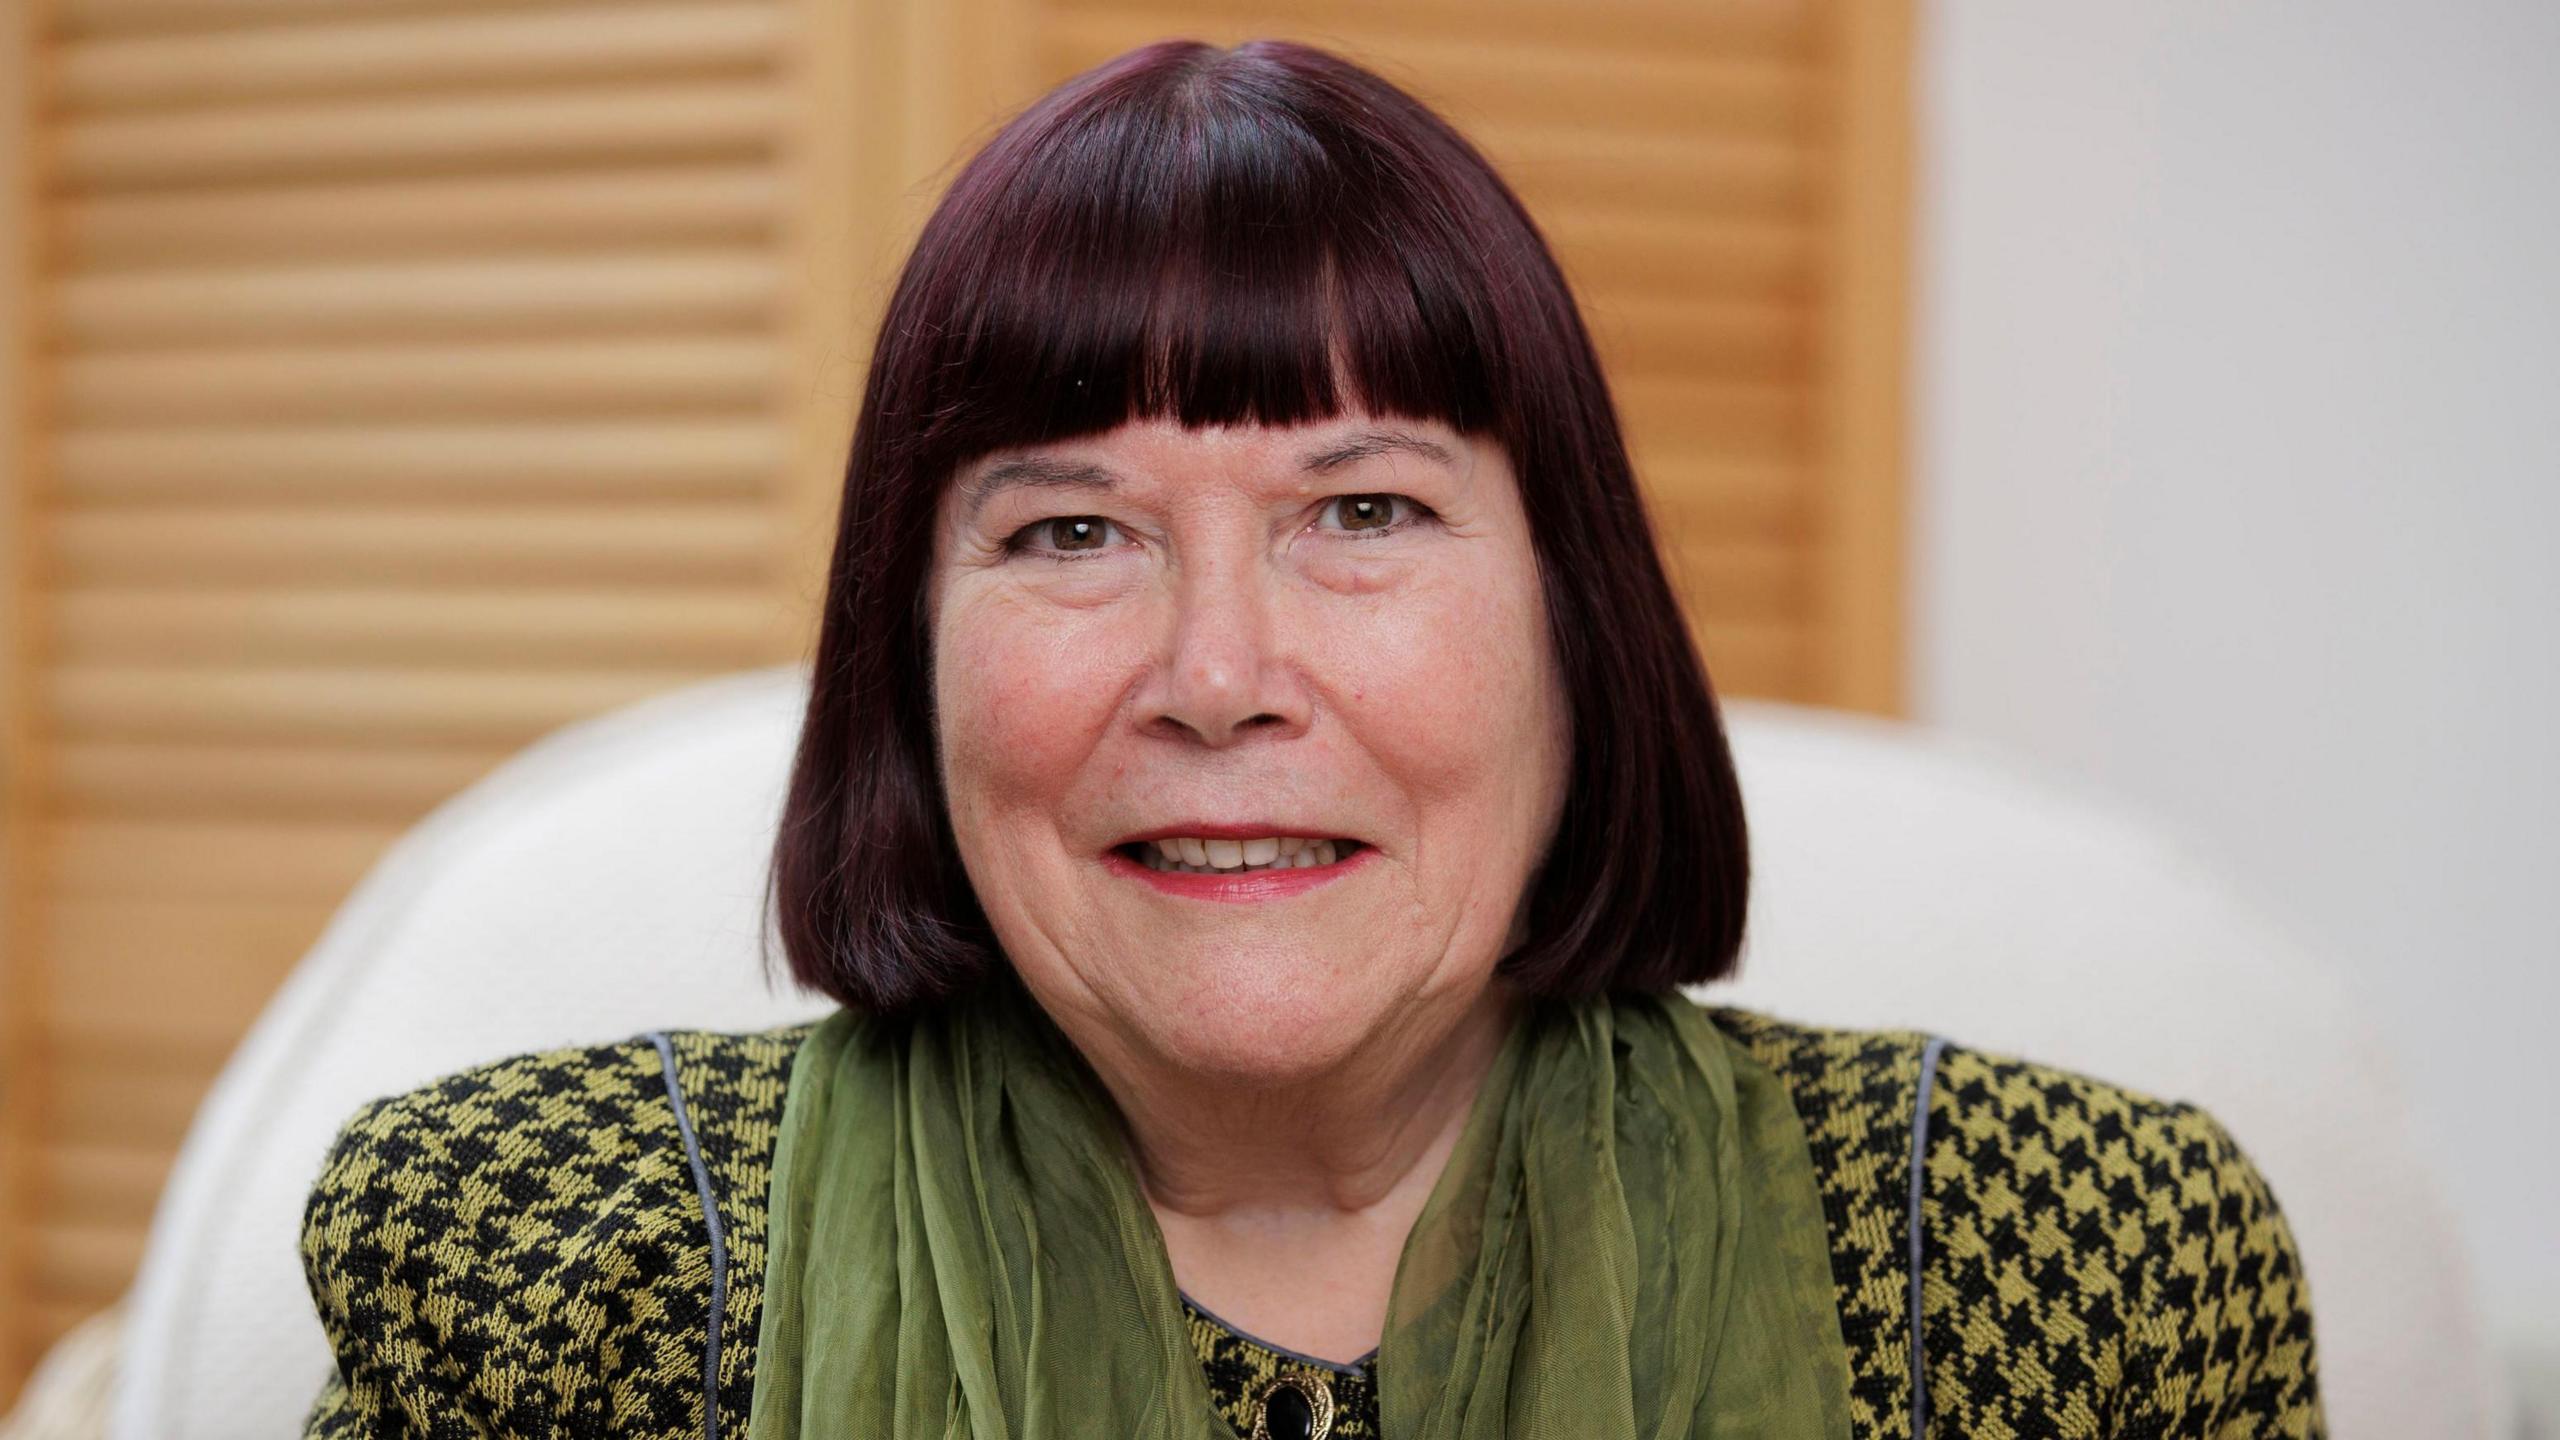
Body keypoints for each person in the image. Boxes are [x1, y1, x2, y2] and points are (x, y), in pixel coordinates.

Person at [298, 38, 2325, 1440]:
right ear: (904, 654)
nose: (1216, 671)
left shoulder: (2074, 1274)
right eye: (1069, 530)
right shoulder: (549, 1274)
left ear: (1571, 620)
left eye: (1363, 512)